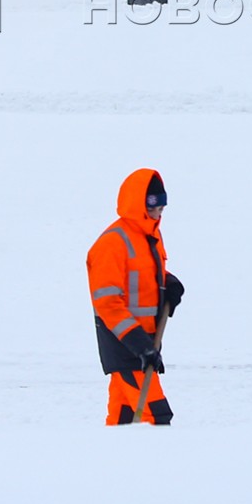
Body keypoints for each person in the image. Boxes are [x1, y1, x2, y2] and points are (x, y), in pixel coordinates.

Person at [86, 168, 184, 425]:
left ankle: (113, 460)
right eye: (152, 207)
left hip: (144, 344)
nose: (158, 214)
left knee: (124, 418)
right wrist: (140, 345)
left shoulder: (149, 235)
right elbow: (108, 303)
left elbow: (144, 275)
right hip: (125, 345)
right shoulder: (112, 243)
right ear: (137, 203)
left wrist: (168, 282)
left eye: (161, 208)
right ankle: (154, 462)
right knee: (157, 416)